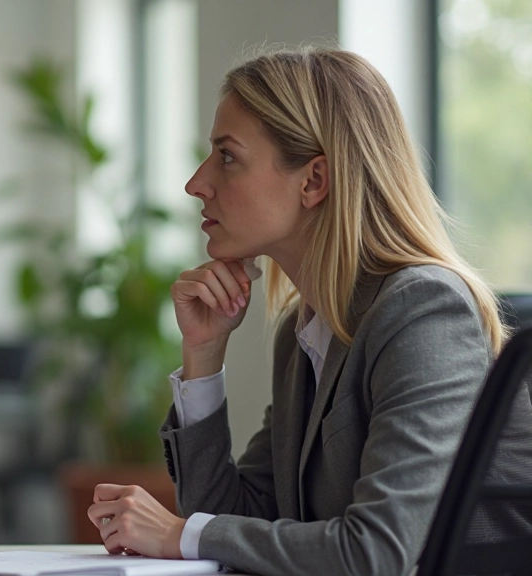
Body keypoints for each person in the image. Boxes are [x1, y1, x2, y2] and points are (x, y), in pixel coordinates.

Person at [86, 47, 526, 575]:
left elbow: (377, 553)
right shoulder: (307, 333)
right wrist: (204, 354)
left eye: (227, 157)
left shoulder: (423, 310)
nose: (196, 183)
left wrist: (178, 534)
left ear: (314, 180)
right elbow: (233, 519)